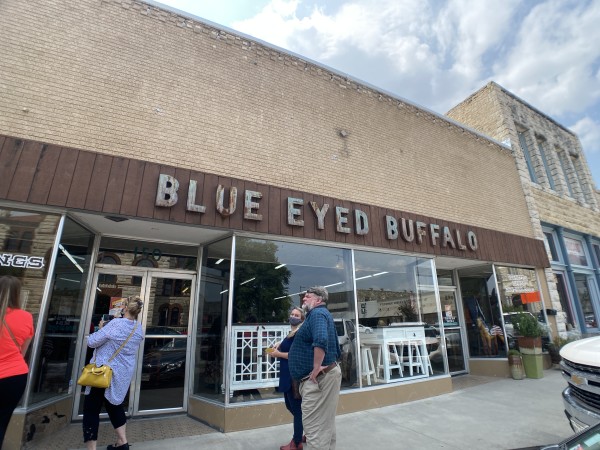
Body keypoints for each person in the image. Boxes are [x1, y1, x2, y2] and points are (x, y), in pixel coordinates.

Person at [82, 297, 144, 450]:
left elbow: (92, 342)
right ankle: (122, 442)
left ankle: (92, 448)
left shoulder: (115, 324)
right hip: (121, 375)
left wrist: (101, 328)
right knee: (114, 406)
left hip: (102, 373)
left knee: (91, 410)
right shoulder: (138, 328)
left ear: (125, 308)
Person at [289, 287, 341, 450]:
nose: (304, 298)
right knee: (325, 426)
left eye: (308, 296)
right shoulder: (317, 315)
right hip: (322, 378)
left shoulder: (317, 314)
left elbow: (321, 339)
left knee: (315, 429)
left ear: (318, 299)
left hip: (318, 380)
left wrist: (316, 367)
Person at [0, 276, 34, 450]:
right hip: (14, 376)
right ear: (17, 294)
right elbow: (22, 351)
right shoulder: (26, 316)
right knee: (2, 421)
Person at [268, 307, 306, 450]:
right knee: (290, 407)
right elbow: (288, 345)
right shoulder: (292, 333)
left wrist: (278, 354)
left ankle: (296, 442)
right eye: (292, 314)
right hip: (286, 375)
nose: (293, 317)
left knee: (296, 409)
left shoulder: (300, 333)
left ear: (302, 319)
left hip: (292, 376)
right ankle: (306, 431)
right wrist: (279, 344)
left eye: (297, 315)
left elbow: (295, 354)